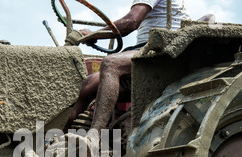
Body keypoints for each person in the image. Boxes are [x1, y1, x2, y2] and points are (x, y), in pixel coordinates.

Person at [64, 0, 190, 132]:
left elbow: (131, 21)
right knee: (87, 86)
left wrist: (94, 34)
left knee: (111, 63)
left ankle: (94, 135)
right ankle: (55, 141)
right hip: (148, 49)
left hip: (162, 50)